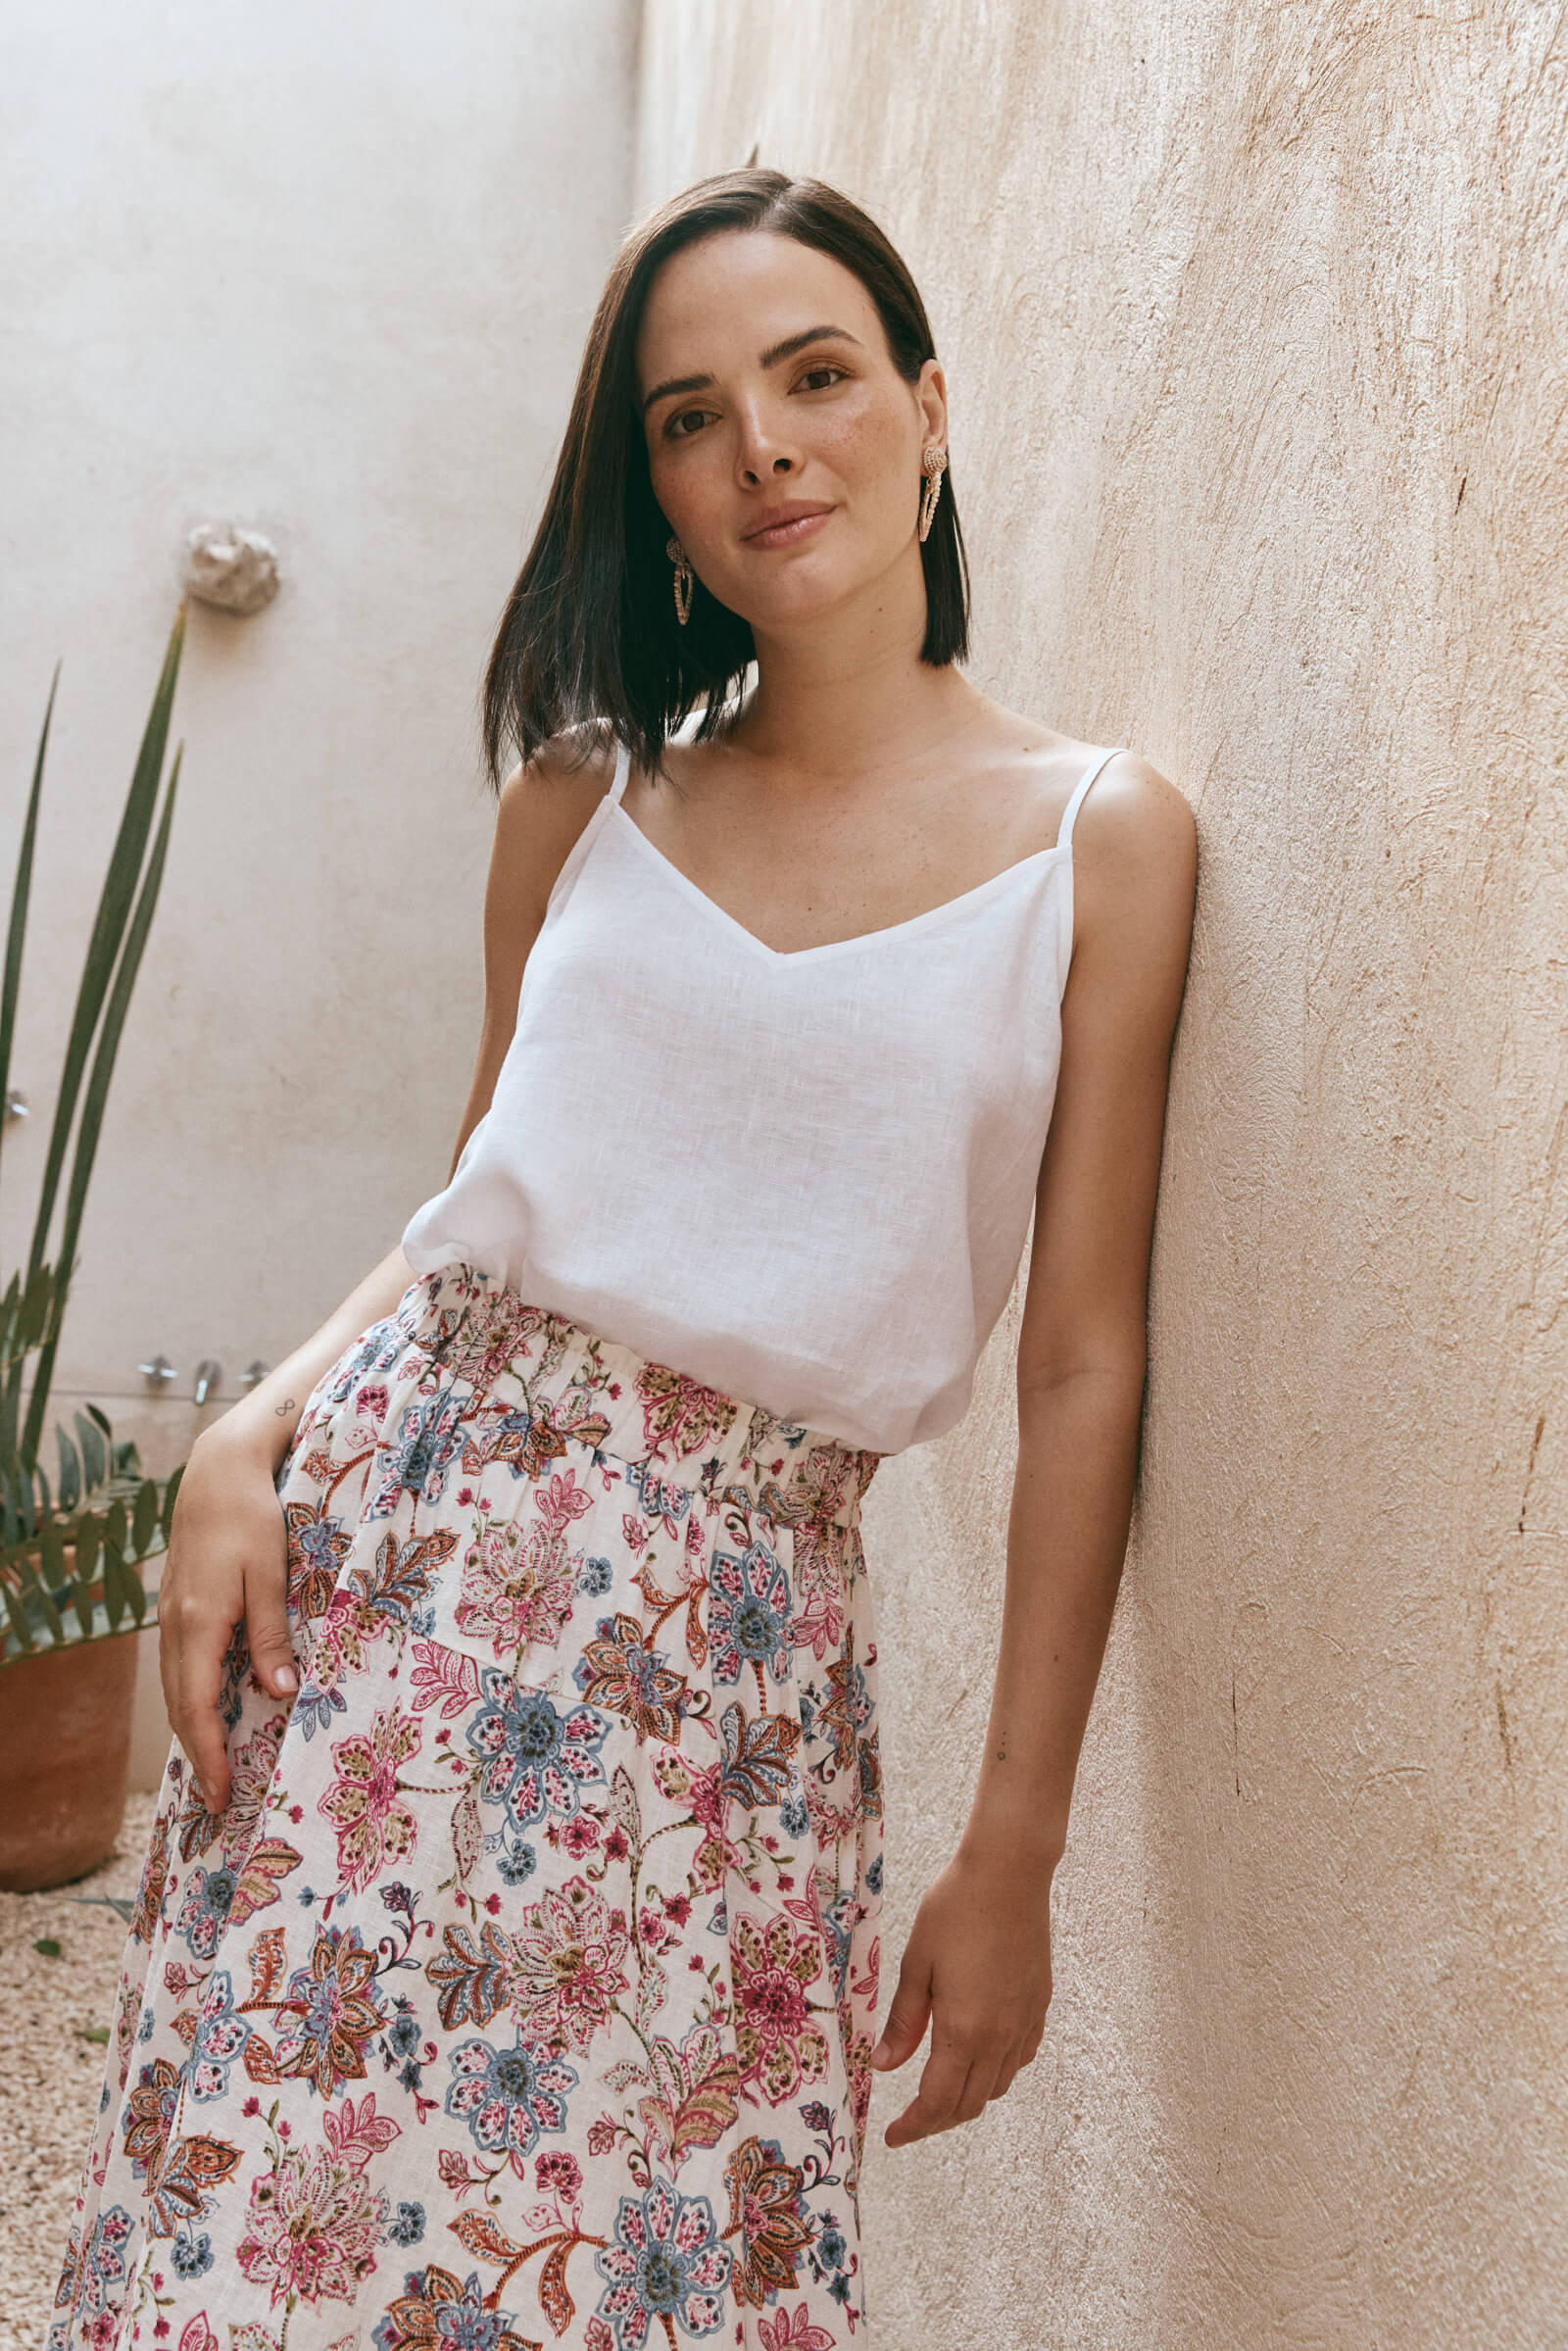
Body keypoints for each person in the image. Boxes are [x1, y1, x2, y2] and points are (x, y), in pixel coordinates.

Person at [48, 171, 1196, 2351]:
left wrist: (1014, 1838)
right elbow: (473, 1203)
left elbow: (1081, 1364)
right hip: (377, 1603)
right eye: (688, 416)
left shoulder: (1096, 844)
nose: (760, 443)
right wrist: (247, 1440)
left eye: (814, 375)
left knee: (655, 2275)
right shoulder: (580, 802)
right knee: (264, 2254)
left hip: (721, 1685)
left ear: (927, 413)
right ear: (650, 496)